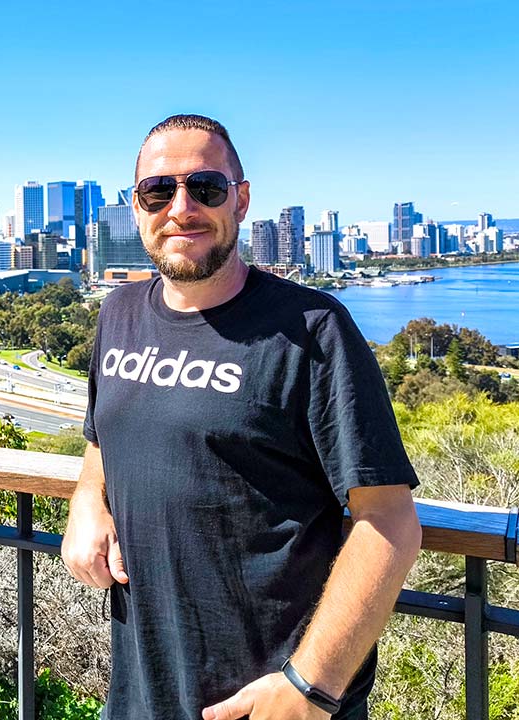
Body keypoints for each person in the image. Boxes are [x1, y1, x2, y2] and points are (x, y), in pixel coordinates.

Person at [61, 114, 421, 719]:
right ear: (136, 205)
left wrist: (310, 687)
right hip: (141, 694)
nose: (181, 208)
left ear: (242, 198)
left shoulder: (313, 331)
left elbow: (388, 523)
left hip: (271, 702)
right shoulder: (117, 314)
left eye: (205, 187)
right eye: (159, 190)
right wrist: (87, 501)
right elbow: (105, 434)